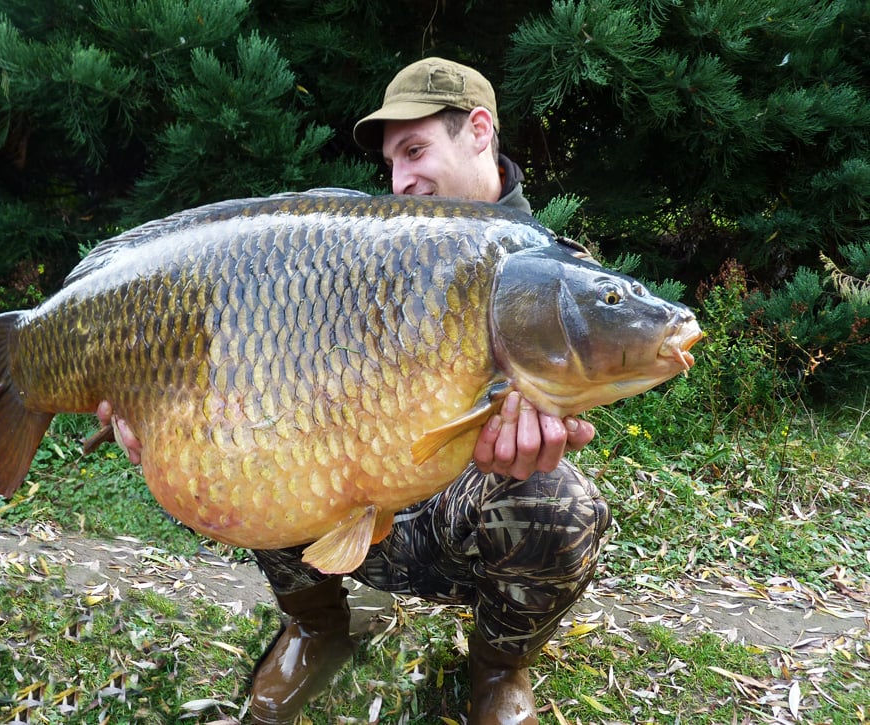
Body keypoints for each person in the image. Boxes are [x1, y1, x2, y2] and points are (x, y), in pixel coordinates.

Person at [95, 57, 609, 724]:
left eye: (416, 150)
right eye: (393, 160)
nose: (402, 180)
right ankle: (317, 626)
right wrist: (154, 397)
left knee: (561, 503)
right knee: (259, 429)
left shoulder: (552, 269)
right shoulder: (362, 250)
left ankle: (498, 666)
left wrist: (525, 442)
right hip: (341, 483)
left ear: (479, 130)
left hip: (458, 516)